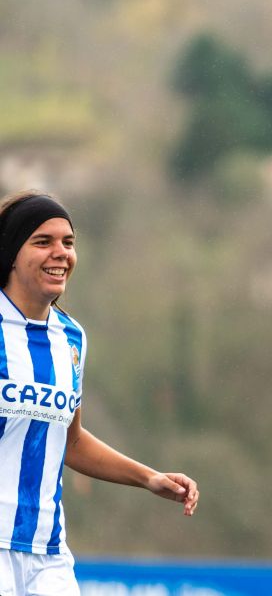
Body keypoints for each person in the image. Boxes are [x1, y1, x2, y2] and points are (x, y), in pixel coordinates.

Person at [0, 191, 199, 596]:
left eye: (68, 243)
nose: (61, 253)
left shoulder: (71, 338)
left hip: (47, 553)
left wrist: (149, 478)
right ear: (11, 254)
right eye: (43, 242)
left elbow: (69, 440)